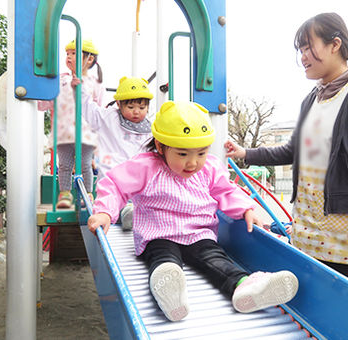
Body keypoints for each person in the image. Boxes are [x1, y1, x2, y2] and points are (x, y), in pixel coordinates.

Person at [225, 13, 348, 293]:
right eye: (300, 50)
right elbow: (294, 151)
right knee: (310, 301)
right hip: (306, 229)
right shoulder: (314, 98)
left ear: (335, 45)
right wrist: (245, 152)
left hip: (347, 236)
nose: (303, 56)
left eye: (308, 47)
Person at [88, 101, 299, 322]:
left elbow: (226, 190)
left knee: (216, 259)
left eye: (201, 153)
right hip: (159, 233)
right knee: (164, 259)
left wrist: (246, 208)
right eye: (182, 154)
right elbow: (115, 185)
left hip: (199, 234)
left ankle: (244, 286)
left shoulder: (209, 167)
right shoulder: (146, 167)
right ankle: (169, 291)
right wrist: (104, 212)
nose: (193, 163)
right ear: (161, 147)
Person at [40, 39, 105, 209]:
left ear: (89, 59)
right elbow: (47, 101)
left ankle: (88, 193)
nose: (68, 57)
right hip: (64, 130)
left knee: (85, 164)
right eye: (67, 54)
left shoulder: (95, 83)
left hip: (86, 131)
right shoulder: (60, 80)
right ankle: (65, 193)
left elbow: (99, 110)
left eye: (74, 53)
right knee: (65, 164)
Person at [82, 76, 154, 230]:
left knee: (146, 195)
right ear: (119, 104)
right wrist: (79, 86)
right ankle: (128, 215)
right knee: (114, 199)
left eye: (142, 108)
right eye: (131, 107)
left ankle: (138, 214)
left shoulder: (150, 128)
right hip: (113, 177)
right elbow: (87, 108)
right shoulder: (108, 117)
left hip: (139, 182)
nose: (136, 112)